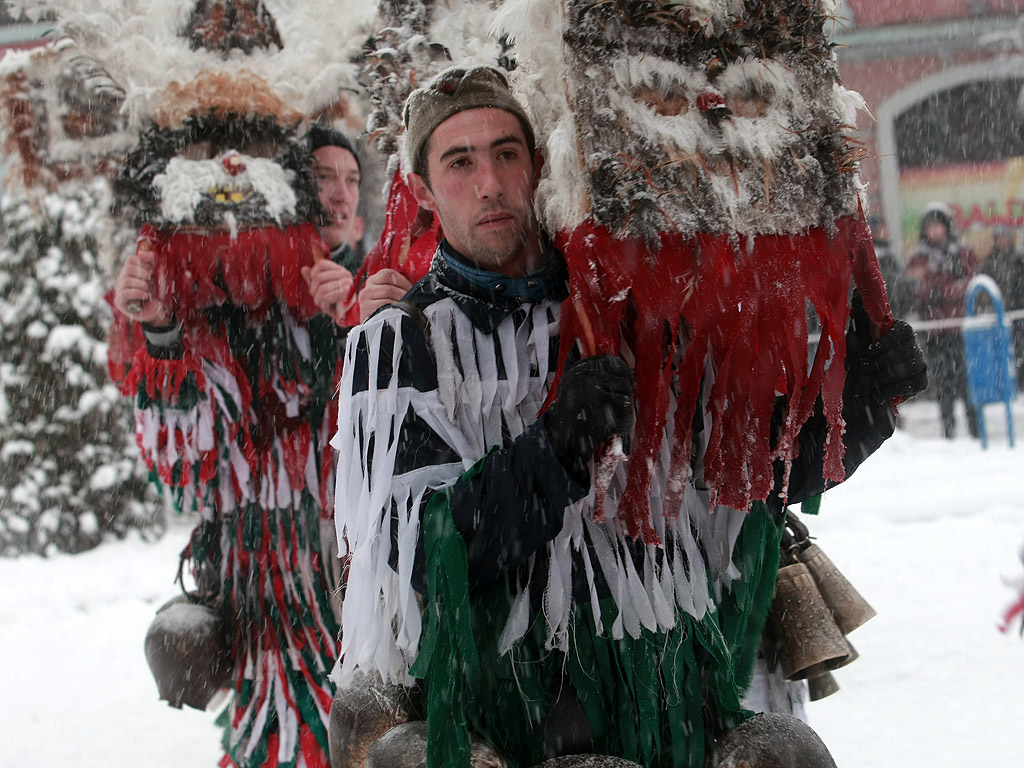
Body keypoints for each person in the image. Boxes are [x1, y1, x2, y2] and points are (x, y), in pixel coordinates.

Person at [331, 65, 926, 768]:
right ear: (425, 191)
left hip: (678, 698)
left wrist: (856, 409)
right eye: (460, 162)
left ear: (539, 164)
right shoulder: (396, 345)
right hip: (517, 711)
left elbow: (734, 485)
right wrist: (553, 453)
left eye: (506, 153)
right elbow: (420, 554)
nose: (489, 181)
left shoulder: (634, 313)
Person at [114, 123, 365, 768]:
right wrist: (165, 333)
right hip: (263, 601)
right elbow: (187, 474)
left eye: (352, 179)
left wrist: (358, 324)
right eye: (321, 179)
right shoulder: (229, 316)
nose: (339, 196)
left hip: (372, 583)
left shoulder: (391, 278)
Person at [905, 203, 978, 438]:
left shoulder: (962, 253)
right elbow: (914, 288)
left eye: (938, 226)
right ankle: (949, 429)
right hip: (934, 332)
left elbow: (972, 285)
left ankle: (975, 427)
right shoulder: (918, 258)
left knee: (966, 380)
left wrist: (943, 291)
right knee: (942, 381)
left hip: (960, 329)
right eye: (930, 227)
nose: (935, 231)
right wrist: (936, 291)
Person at [982, 224, 1024, 387]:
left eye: (1004, 237)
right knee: (1004, 349)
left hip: (1018, 310)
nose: (1002, 241)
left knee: (1020, 347)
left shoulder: (1019, 258)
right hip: (1000, 311)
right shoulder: (991, 261)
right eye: (998, 238)